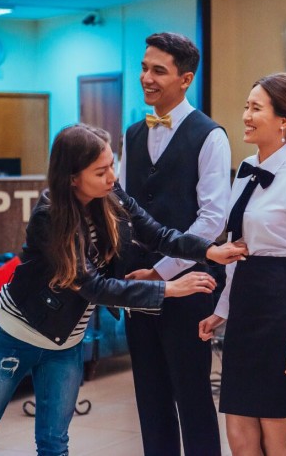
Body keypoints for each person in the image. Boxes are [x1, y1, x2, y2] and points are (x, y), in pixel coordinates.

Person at [0, 123, 246, 456]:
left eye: (111, 166)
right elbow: (93, 287)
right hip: (16, 336)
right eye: (101, 171)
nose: (112, 177)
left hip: (65, 341)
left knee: (54, 442)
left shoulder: (111, 195)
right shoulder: (49, 217)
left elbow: (158, 234)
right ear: (73, 178)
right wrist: (169, 288)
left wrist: (209, 251)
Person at [199, 72, 286, 455]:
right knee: (238, 433)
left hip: (278, 306)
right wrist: (222, 310)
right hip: (245, 307)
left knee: (275, 435)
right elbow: (236, 248)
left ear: (283, 119)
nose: (246, 116)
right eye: (246, 106)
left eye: (256, 108)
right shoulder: (244, 169)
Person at [119, 32, 231, 455]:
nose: (146, 78)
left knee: (193, 397)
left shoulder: (210, 136)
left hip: (188, 288)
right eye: (144, 68)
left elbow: (212, 220)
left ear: (185, 79)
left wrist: (161, 272)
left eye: (158, 71)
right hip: (137, 285)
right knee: (150, 398)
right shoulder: (132, 133)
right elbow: (122, 208)